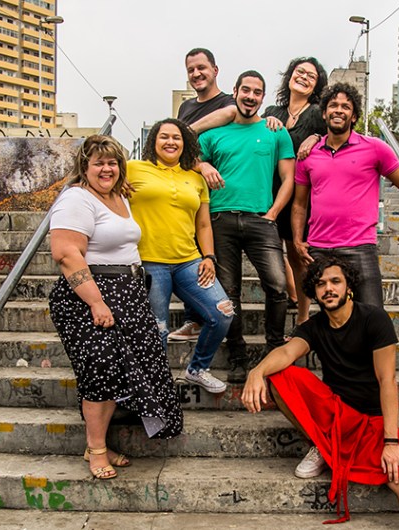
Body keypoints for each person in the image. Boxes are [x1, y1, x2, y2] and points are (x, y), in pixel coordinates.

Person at [241, 256, 399, 528]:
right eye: (321, 284)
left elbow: (387, 381)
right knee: (280, 375)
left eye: (335, 281)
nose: (329, 289)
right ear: (314, 292)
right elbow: (287, 352)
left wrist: (391, 442)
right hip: (337, 415)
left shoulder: (374, 319)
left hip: (373, 422)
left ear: (349, 287)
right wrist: (256, 371)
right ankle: (323, 447)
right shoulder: (313, 327)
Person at [47, 135, 183, 481]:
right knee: (101, 371)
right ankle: (96, 450)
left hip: (128, 292)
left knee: (120, 371)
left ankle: (99, 445)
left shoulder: (118, 196)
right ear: (85, 166)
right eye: (99, 163)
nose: (106, 169)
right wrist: (96, 302)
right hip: (92, 295)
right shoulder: (76, 198)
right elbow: (66, 253)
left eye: (112, 163)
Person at [292, 83, 399, 308]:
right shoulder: (308, 154)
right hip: (319, 247)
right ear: (324, 113)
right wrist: (297, 240)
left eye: (346, 107)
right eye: (333, 105)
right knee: (329, 320)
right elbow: (299, 204)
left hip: (359, 247)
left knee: (373, 315)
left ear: (354, 116)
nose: (339, 110)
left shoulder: (375, 148)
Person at [198, 70, 296, 383]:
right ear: (236, 92)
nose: (250, 97)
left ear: (263, 98)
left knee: (278, 285)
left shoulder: (275, 132)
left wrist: (273, 213)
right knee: (229, 292)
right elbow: (188, 159)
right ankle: (237, 356)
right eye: (246, 90)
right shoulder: (213, 135)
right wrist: (203, 164)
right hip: (220, 219)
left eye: (257, 92)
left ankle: (274, 349)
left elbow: (289, 178)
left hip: (260, 219)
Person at [126, 118, 234, 394]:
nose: (170, 142)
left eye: (177, 137)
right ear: (153, 141)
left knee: (222, 312)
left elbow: (204, 224)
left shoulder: (196, 178)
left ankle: (197, 369)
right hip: (149, 263)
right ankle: (157, 386)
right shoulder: (133, 169)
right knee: (158, 329)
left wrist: (209, 257)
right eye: (164, 136)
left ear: (185, 144)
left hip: (189, 261)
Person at [168, 47, 235, 343]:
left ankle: (220, 321)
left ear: (215, 70)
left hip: (222, 196)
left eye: (201, 68)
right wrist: (200, 163)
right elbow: (179, 152)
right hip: (190, 193)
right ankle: (194, 319)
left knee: (217, 262)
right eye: (191, 70)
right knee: (192, 257)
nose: (196, 74)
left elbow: (230, 114)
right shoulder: (185, 107)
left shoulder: (229, 102)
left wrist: (184, 131)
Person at [261, 57, 328, 326]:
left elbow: (334, 137)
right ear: (289, 76)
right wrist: (265, 122)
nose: (303, 77)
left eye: (311, 76)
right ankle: (291, 293)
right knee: (271, 252)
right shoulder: (273, 112)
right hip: (271, 190)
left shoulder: (317, 113)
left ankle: (302, 317)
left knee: (296, 253)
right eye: (300, 72)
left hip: (301, 194)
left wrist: (316, 137)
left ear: (316, 86)